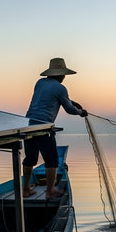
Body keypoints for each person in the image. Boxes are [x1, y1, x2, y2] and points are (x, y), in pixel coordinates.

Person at [23, 58, 87, 198]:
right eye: (63, 75)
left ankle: (26, 189)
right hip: (44, 127)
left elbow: (50, 97)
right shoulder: (60, 88)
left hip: (28, 125)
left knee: (30, 159)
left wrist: (72, 102)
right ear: (59, 75)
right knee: (52, 161)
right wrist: (81, 112)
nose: (64, 77)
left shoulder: (39, 83)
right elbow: (69, 109)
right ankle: (50, 191)